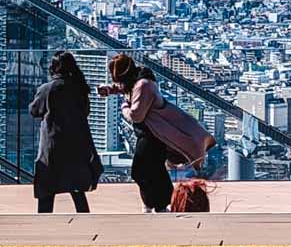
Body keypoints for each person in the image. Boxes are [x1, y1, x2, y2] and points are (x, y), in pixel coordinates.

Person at [99, 54, 215, 213]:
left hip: (153, 135)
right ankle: (159, 204)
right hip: (151, 134)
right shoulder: (137, 81)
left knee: (141, 171)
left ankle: (158, 203)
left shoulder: (143, 85)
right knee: (154, 170)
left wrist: (124, 106)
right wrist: (110, 89)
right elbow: (125, 88)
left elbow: (136, 115)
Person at [30, 52, 103, 214]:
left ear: (54, 68)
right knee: (77, 187)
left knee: (47, 188)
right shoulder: (80, 88)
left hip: (52, 143)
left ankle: (44, 221)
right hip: (75, 142)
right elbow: (85, 112)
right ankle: (85, 220)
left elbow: (34, 110)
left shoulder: (47, 89)